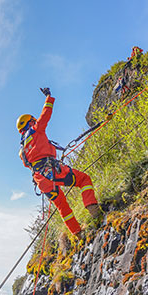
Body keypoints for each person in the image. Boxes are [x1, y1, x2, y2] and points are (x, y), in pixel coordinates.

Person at [17, 87, 102, 237]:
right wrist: (49, 98)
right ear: (30, 122)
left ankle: (77, 233)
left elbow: (28, 163)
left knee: (62, 205)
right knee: (83, 179)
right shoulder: (36, 129)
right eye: (33, 120)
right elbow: (45, 115)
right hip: (52, 170)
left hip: (41, 181)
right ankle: (94, 212)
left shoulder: (22, 150)